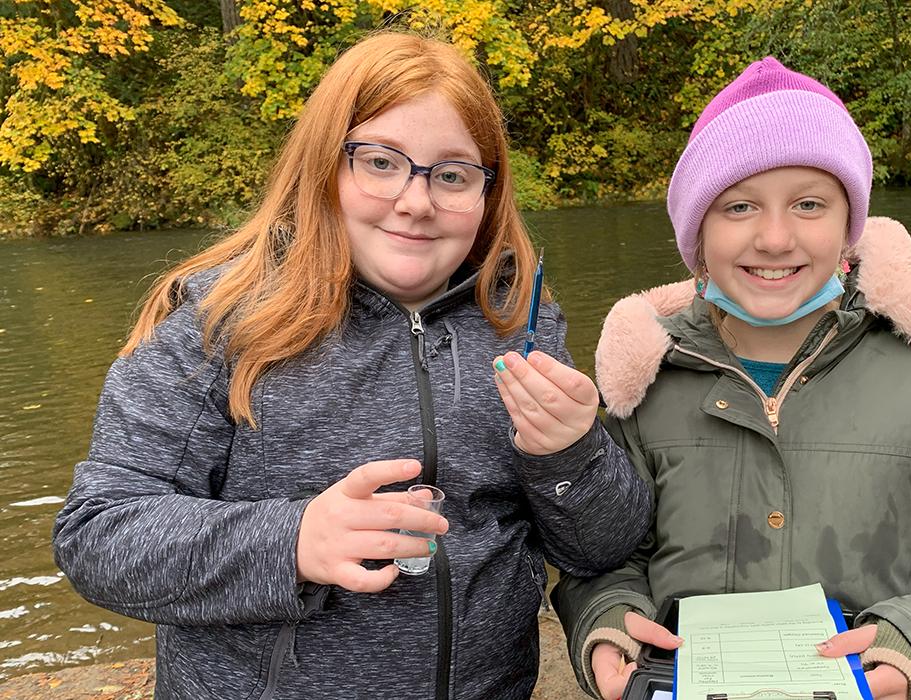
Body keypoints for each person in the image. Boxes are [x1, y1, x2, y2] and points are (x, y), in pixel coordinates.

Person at [52, 32, 652, 700]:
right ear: (325, 167)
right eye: (380, 162)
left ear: (488, 190)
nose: (416, 201)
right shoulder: (216, 321)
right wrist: (293, 540)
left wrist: (572, 455)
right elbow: (98, 536)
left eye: (451, 174)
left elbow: (599, 549)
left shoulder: (521, 322)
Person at [551, 57, 911, 700]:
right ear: (697, 236)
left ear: (848, 225)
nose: (774, 237)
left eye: (809, 203)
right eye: (738, 206)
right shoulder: (639, 385)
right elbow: (601, 560)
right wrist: (606, 624)